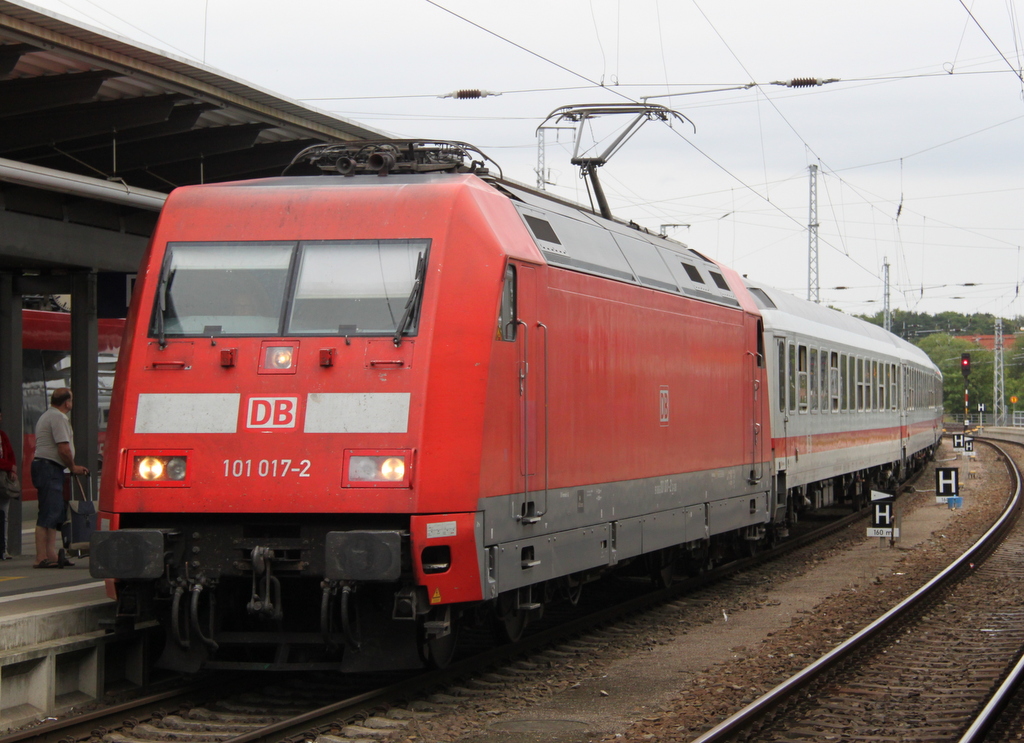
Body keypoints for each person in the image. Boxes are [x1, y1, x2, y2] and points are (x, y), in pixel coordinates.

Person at [32, 388, 87, 568]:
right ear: (67, 403)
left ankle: (51, 554)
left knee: (53, 511)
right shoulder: (58, 418)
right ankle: (41, 557)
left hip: (48, 467)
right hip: (49, 468)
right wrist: (73, 467)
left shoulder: (48, 415)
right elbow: (63, 448)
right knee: (48, 512)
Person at [0, 406, 16, 560]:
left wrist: (12, 469)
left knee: (4, 515)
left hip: (3, 481)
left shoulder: (2, 435)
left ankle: (3, 549)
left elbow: (10, 453)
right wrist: (9, 466)